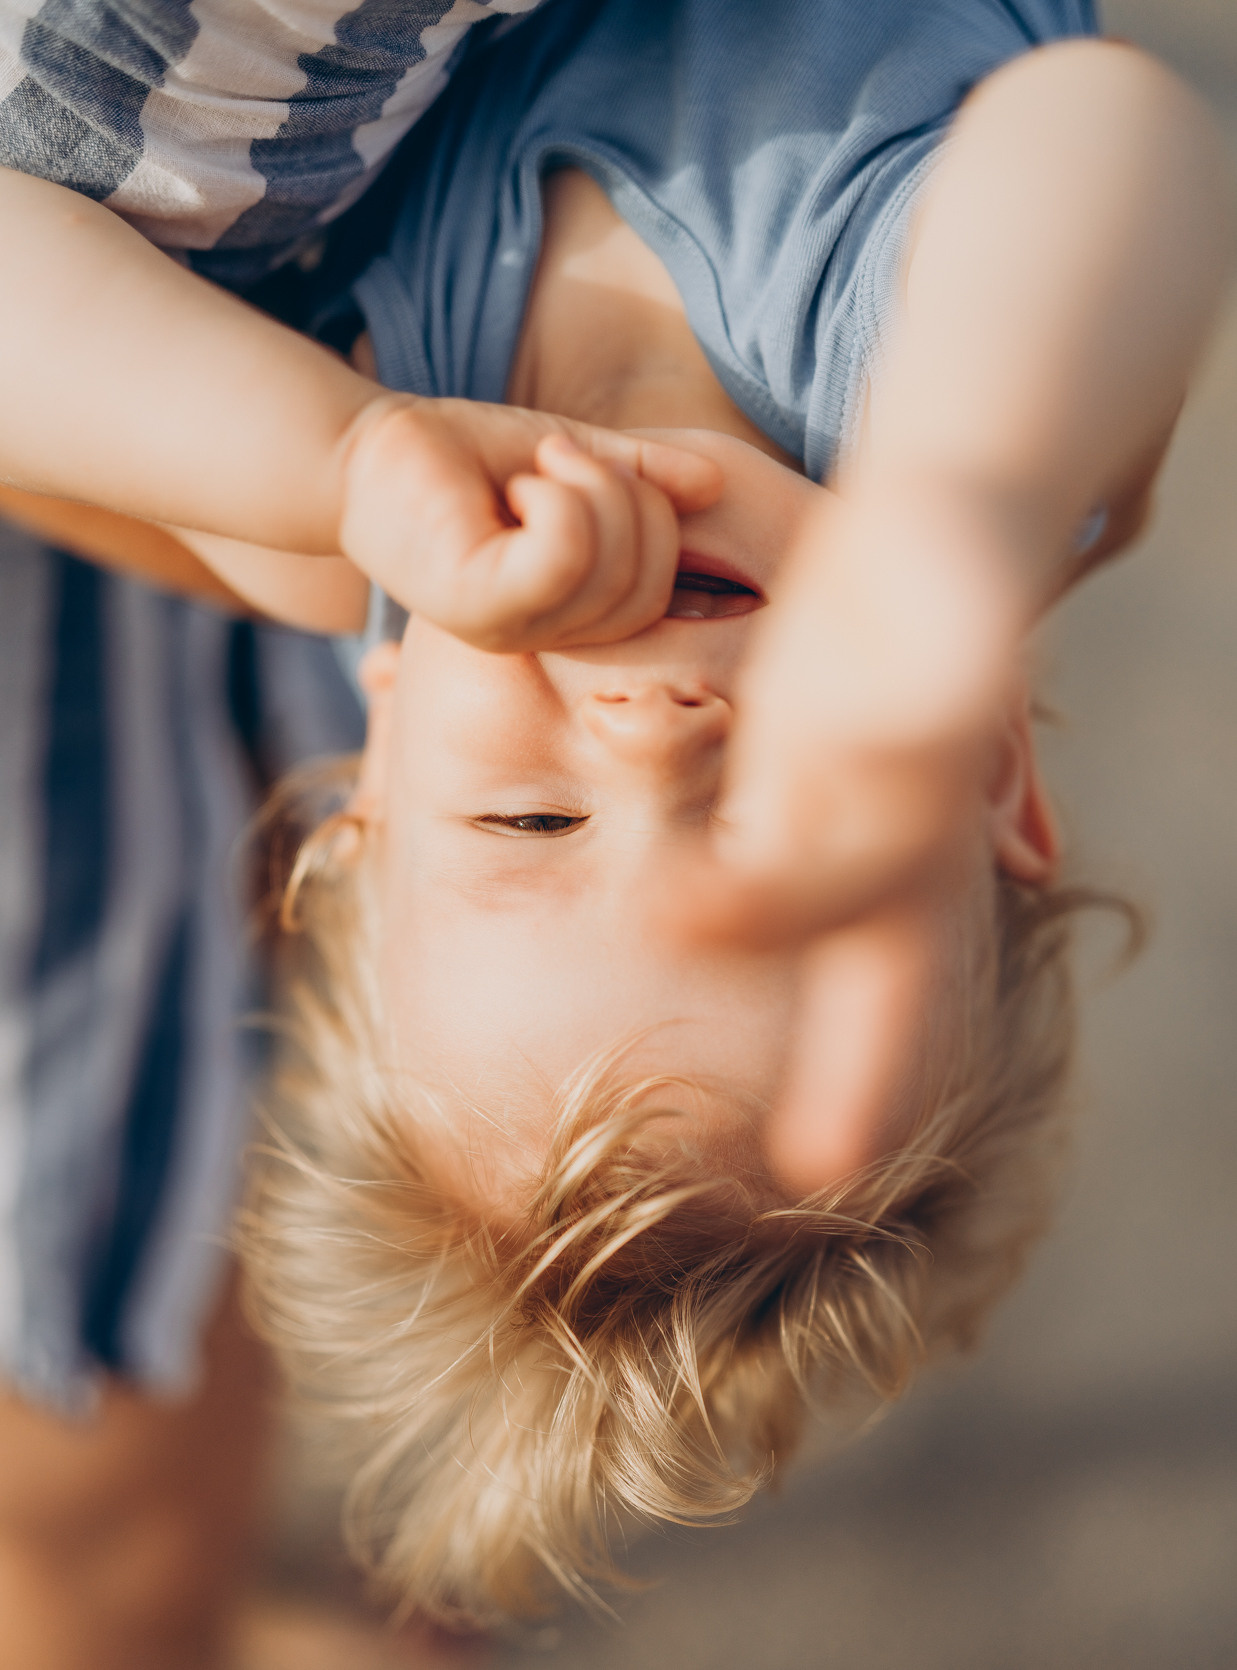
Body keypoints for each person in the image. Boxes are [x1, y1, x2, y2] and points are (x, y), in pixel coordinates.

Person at [1, 0, 1229, 1644]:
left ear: (361, 787)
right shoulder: (898, 408)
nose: (652, 742)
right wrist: (959, 517)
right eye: (772, 814)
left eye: (528, 820)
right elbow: (1114, 133)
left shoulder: (345, 498)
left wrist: (339, 460)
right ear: (989, 768)